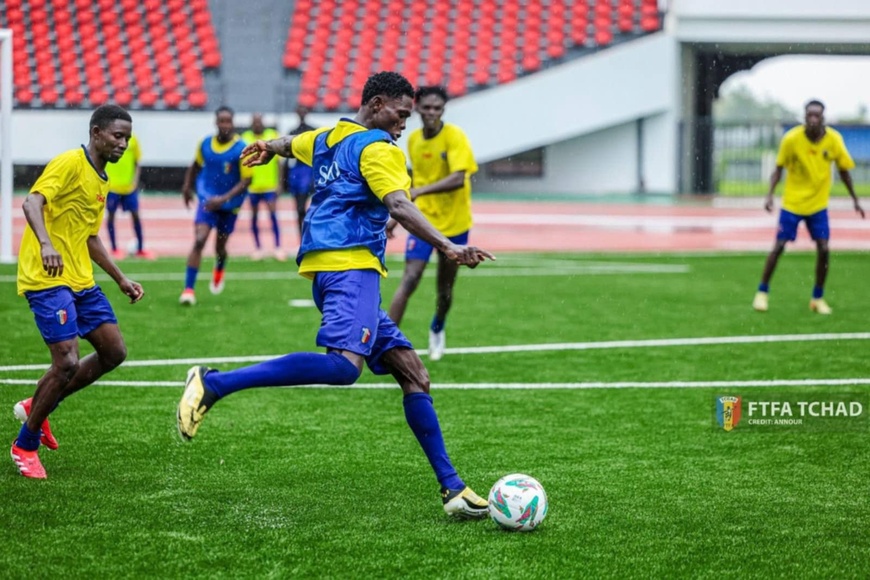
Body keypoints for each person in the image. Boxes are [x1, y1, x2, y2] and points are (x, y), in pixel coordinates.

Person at [176, 72, 495, 518]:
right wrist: (449, 246)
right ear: (378, 103)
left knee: (414, 374)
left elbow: (292, 144)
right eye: (401, 114)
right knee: (344, 368)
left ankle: (454, 490)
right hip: (351, 269)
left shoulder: (328, 137)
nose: (404, 124)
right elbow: (400, 206)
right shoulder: (379, 148)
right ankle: (214, 383)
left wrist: (269, 147)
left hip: (331, 272)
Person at [11, 104, 145, 479]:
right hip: (47, 275)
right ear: (97, 132)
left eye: (128, 139)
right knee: (67, 361)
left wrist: (120, 278)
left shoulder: (101, 179)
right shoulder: (70, 162)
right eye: (118, 136)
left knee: (114, 351)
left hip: (81, 278)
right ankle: (25, 443)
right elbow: (31, 201)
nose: (123, 144)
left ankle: (39, 404)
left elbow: (89, 236)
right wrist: (45, 243)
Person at [386, 86, 478, 361]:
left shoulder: (454, 137)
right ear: (417, 109)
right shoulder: (413, 140)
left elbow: (459, 178)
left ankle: (437, 327)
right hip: (424, 221)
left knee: (444, 288)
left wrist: (419, 192)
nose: (431, 113)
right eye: (426, 107)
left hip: (455, 223)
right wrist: (396, 217)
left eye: (437, 108)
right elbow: (413, 181)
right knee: (410, 278)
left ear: (443, 111)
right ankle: (386, 343)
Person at [752, 100, 864, 314]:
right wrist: (769, 195)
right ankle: (762, 292)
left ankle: (817, 298)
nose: (812, 120)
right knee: (779, 246)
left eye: (817, 116)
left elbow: (844, 171)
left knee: (824, 248)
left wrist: (855, 199)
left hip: (818, 206)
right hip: (792, 204)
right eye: (809, 116)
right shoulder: (791, 139)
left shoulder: (833, 140)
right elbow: (778, 169)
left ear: (823, 118)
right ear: (804, 117)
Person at [179, 106, 252, 305]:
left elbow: (247, 180)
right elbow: (195, 165)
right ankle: (188, 290)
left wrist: (224, 199)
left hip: (230, 206)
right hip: (207, 201)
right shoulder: (205, 144)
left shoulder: (241, 148)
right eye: (222, 121)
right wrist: (187, 187)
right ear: (216, 122)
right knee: (199, 240)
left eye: (228, 121)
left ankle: (219, 267)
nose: (225, 125)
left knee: (220, 246)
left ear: (233, 123)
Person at [104, 132, 155, 260]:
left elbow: (137, 162)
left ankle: (140, 248)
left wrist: (135, 181)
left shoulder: (133, 140)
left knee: (136, 215)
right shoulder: (109, 139)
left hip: (129, 187)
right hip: (112, 187)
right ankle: (114, 248)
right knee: (110, 216)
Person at [241, 113, 284, 261]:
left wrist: (280, 183)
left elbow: (279, 162)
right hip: (253, 186)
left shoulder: (272, 135)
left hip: (269, 185)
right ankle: (258, 248)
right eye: (255, 122)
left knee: (273, 216)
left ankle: (278, 247)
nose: (257, 124)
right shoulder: (245, 137)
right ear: (252, 123)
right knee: (254, 217)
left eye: (259, 122)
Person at [280, 105, 317, 245]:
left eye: (304, 110)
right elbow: (286, 155)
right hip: (297, 171)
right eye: (299, 111)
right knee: (299, 208)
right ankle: (302, 239)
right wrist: (284, 180)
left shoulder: (312, 130)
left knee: (309, 208)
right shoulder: (293, 131)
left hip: (308, 170)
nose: (301, 113)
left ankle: (309, 237)